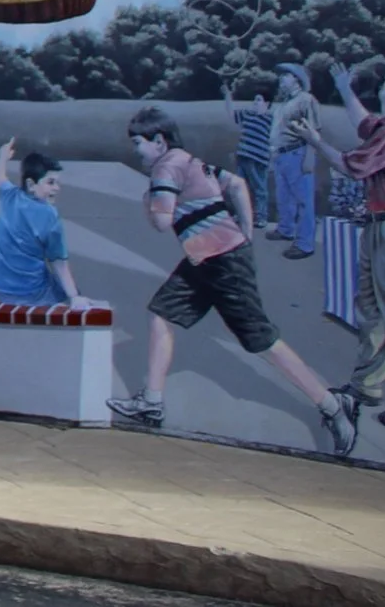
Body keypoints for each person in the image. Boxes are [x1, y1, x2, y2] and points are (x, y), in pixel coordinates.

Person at [107, 106, 357, 455]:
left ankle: (332, 405)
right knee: (161, 313)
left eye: (139, 142)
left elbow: (161, 223)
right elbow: (237, 184)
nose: (136, 149)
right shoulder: (191, 161)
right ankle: (152, 401)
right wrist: (246, 231)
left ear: (159, 141)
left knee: (262, 340)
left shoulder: (166, 168)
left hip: (222, 263)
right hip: (208, 259)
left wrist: (148, 200)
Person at [306, 58, 385, 432]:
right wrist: (344, 88)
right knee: (373, 309)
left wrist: (316, 141)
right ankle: (368, 384)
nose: (383, 82)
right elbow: (364, 124)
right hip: (383, 225)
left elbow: (352, 166)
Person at [0, 139, 88, 306]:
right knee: (68, 291)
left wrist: (2, 158)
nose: (57, 188)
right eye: (50, 182)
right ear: (31, 184)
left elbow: (0, 177)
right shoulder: (48, 215)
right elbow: (59, 263)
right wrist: (75, 296)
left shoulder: (10, 196)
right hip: (30, 293)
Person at [268, 63, 318, 256]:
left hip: (298, 153)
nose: (281, 79)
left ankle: (305, 244)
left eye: (285, 76)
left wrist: (309, 157)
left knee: (303, 200)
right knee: (284, 196)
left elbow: (314, 131)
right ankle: (286, 229)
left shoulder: (306, 100)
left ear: (297, 79)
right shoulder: (284, 103)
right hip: (281, 154)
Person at [222, 75, 276, 241]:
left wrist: (272, 158)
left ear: (267, 103)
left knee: (259, 188)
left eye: (258, 100)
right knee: (241, 187)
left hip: (258, 159)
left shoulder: (270, 119)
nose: (255, 103)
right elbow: (231, 113)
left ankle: (261, 217)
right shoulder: (247, 114)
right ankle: (243, 214)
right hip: (243, 156)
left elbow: (275, 140)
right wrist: (227, 96)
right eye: (254, 100)